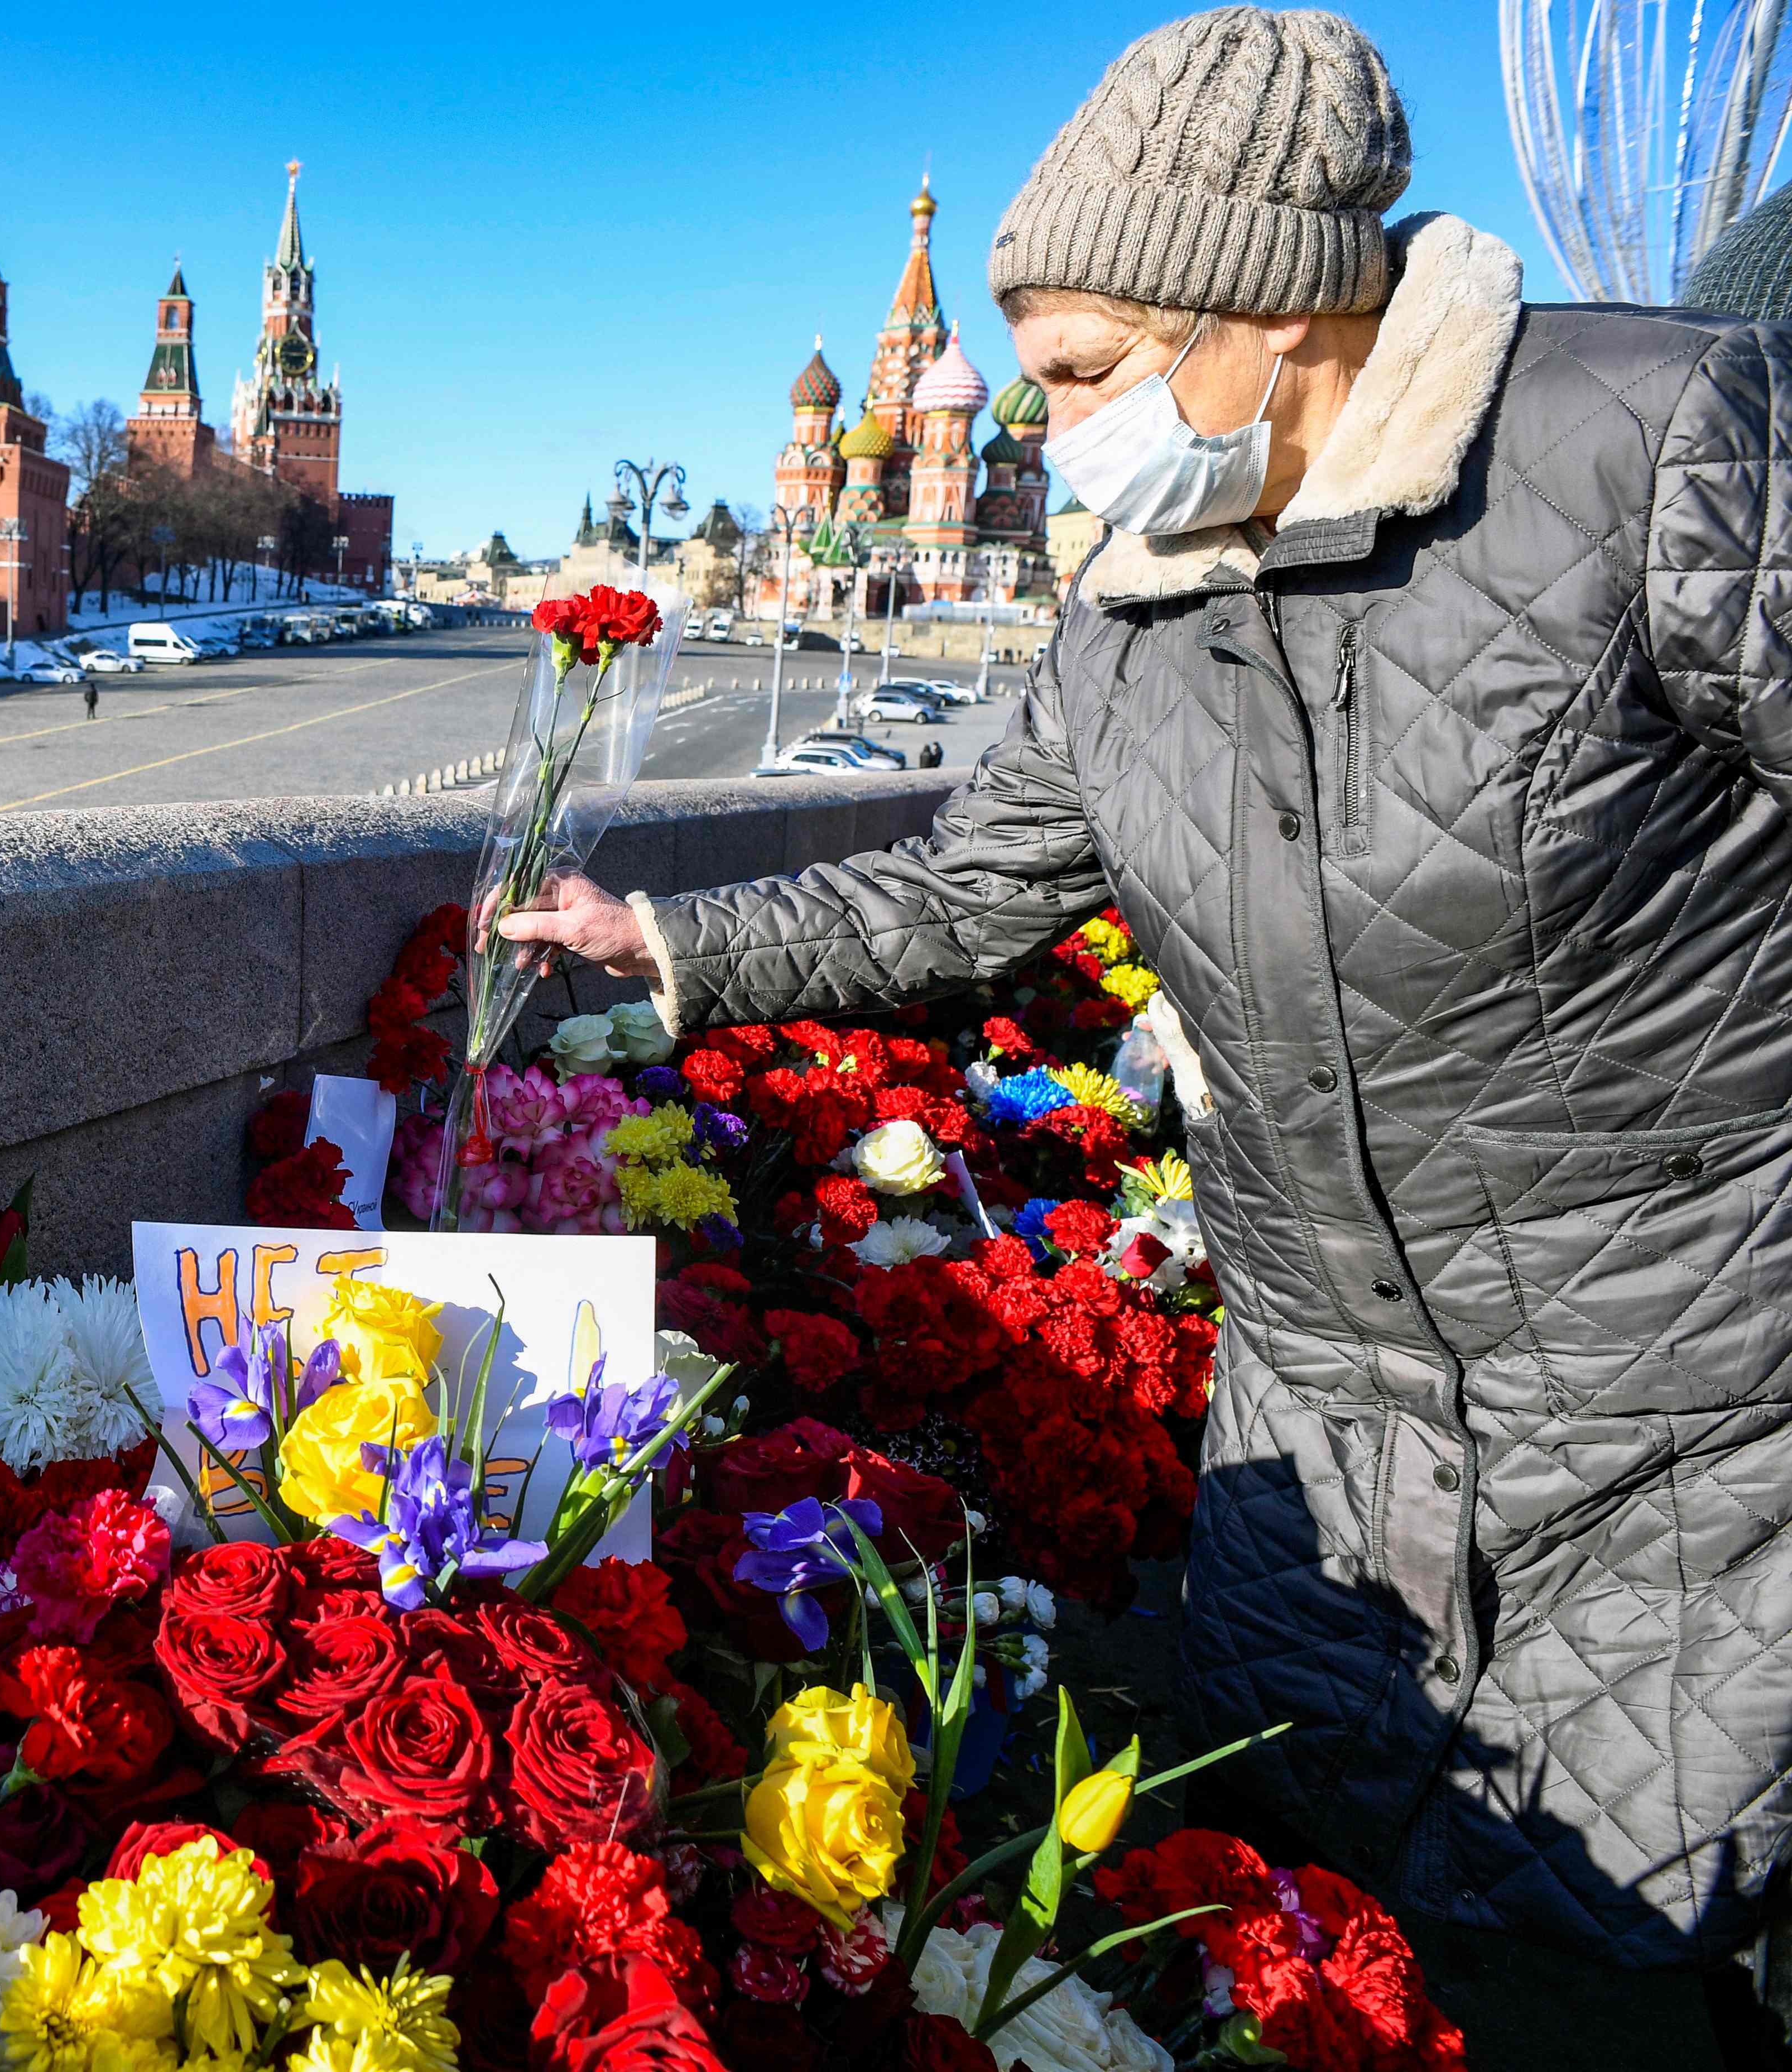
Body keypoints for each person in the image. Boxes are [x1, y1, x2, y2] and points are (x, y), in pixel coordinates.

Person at [503, 2, 1792, 2034]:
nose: (1058, 433)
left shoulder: (1646, 441)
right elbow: (955, 891)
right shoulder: (1124, 601)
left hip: (1685, 1467)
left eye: (1086, 373)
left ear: (1259, 315)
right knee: (1282, 1956)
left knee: (1601, 1996)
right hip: (1315, 1452)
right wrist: (656, 944)